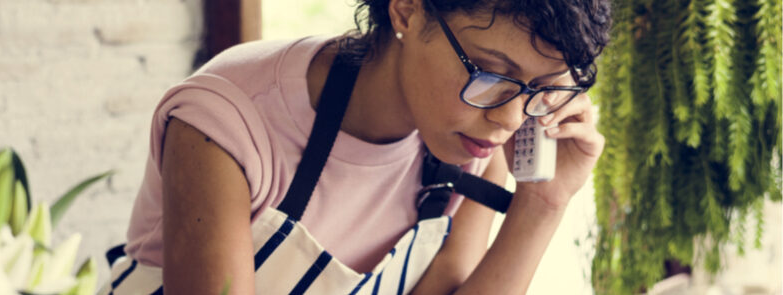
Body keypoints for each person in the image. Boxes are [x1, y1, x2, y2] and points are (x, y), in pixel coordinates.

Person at [102, 0, 611, 293]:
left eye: (542, 87)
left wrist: (544, 203)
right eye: (491, 73)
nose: (508, 118)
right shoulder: (226, 124)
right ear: (408, 10)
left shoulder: (472, 145)